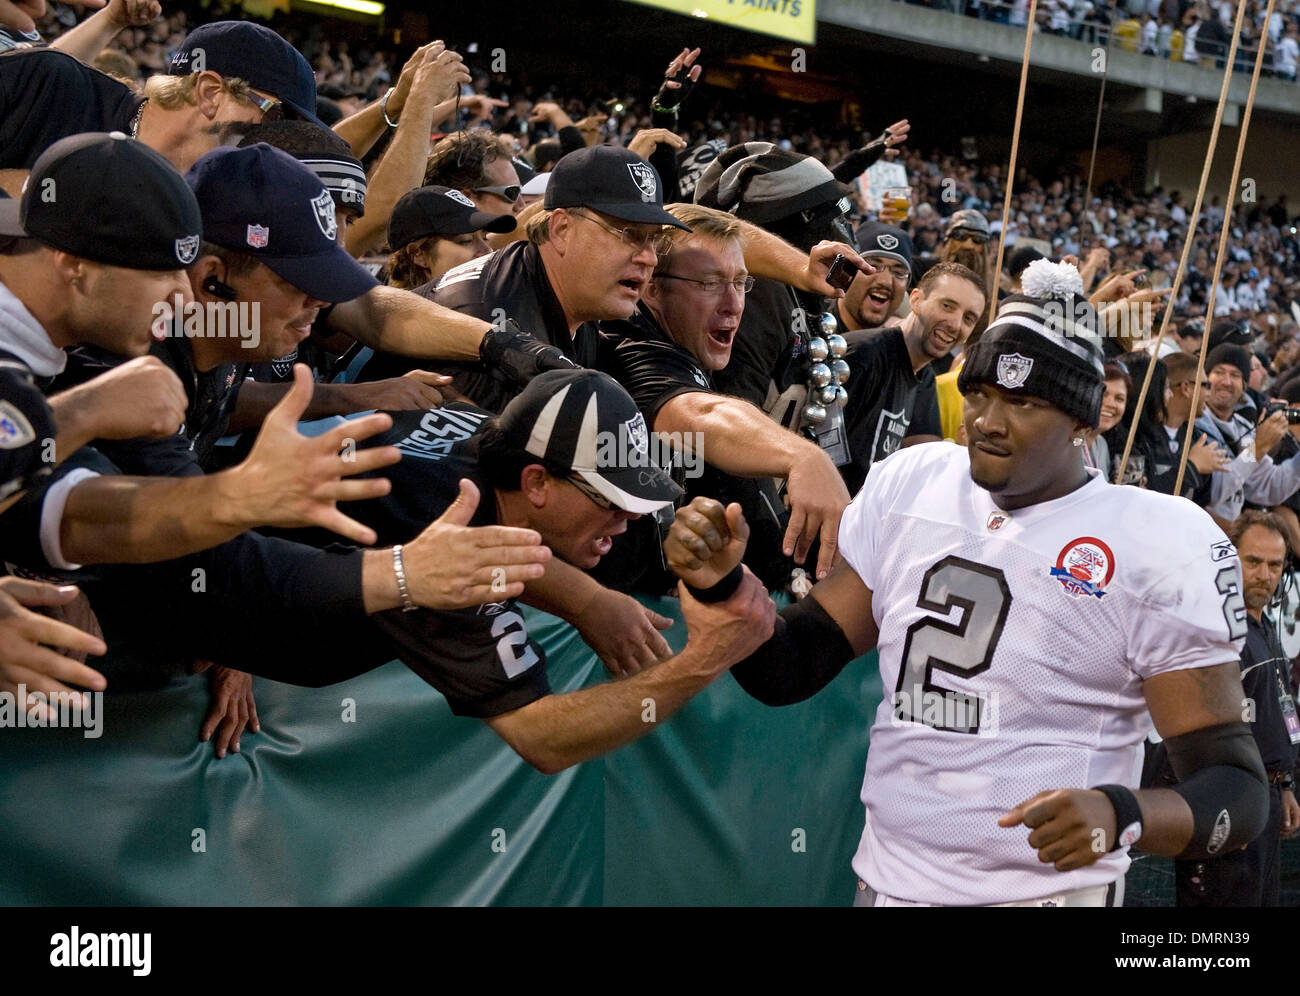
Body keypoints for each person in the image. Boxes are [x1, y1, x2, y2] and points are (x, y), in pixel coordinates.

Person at [665, 288, 1268, 906]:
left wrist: (1120, 812)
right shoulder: (915, 481)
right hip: (889, 883)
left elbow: (1237, 792)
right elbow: (789, 669)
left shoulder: (1152, 539)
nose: (986, 421)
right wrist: (724, 583)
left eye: (1024, 402)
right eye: (978, 394)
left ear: (1085, 423)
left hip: (1044, 897)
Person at [197, 369, 778, 774]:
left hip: (210, 517)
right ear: (536, 482)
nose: (626, 521)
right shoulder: (448, 542)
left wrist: (587, 600)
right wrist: (708, 658)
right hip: (150, 606)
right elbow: (542, 738)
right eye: (611, 499)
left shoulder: (480, 435)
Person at [597, 202, 850, 587]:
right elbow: (697, 414)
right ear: (652, 288)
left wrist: (800, 269)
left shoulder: (682, 336)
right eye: (710, 284)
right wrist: (802, 456)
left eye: (740, 282)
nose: (734, 305)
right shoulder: (630, 346)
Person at [1169, 511, 1300, 906]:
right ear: (1228, 560)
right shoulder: (1215, 631)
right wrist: (1226, 805)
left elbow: (1274, 715)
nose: (1265, 574)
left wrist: (1286, 786)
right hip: (1231, 805)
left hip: (1269, 800)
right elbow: (1195, 731)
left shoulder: (1264, 626)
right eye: (1253, 561)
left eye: (1275, 565)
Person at [0, 20, 321, 177]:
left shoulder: (218, 206)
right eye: (278, 119)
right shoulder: (50, 86)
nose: (281, 145)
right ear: (210, 93)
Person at [838, 261, 986, 495]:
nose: (955, 324)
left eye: (969, 318)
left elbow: (922, 460)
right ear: (915, 300)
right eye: (947, 306)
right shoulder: (863, 355)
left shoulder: (924, 376)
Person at [386, 186, 515, 293]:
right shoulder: (400, 321)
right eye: (466, 241)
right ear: (418, 253)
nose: (488, 251)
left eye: (484, 237)